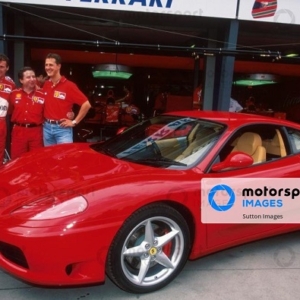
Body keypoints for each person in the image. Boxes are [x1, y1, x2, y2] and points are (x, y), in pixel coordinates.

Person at [42, 53, 91, 146]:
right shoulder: (46, 84)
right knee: (49, 158)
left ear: (59, 66)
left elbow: (86, 104)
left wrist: (74, 122)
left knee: (64, 158)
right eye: (46, 65)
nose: (48, 67)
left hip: (62, 129)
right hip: (47, 128)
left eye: (51, 65)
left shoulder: (69, 86)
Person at [9, 67, 45, 159]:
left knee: (36, 159)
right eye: (28, 77)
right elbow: (9, 111)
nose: (32, 79)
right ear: (21, 80)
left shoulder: (42, 94)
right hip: (19, 131)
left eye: (33, 76)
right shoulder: (13, 94)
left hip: (36, 131)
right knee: (17, 160)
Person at [0, 53, 16, 164]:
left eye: (1, 66)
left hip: (2, 121)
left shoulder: (11, 84)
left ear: (7, 68)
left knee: (0, 150)